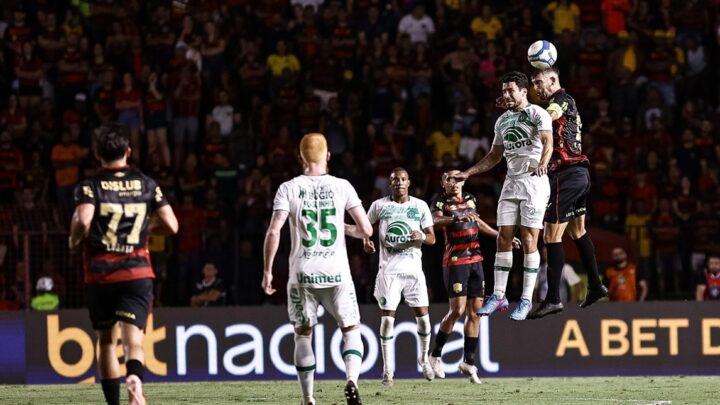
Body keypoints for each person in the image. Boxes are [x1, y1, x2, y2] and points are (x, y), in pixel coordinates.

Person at [69, 123, 179, 405]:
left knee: (106, 341)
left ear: (97, 155)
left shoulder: (90, 186)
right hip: (137, 272)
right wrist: (148, 230)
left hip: (101, 274)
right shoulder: (146, 183)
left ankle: (114, 404)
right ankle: (136, 380)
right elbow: (172, 225)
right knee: (134, 342)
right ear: (128, 152)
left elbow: (83, 219)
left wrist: (74, 239)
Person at [262, 133, 373, 405]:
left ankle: (309, 398)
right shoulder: (342, 186)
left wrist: (267, 270)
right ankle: (351, 380)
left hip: (302, 274)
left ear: (300, 157)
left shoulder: (288, 188)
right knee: (350, 329)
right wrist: (344, 227)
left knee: (303, 335)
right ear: (328, 156)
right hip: (337, 274)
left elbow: (274, 232)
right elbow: (366, 229)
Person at [457, 71, 553, 321]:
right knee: (504, 238)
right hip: (511, 183)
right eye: (504, 91)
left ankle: (525, 300)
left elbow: (547, 141)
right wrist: (468, 173)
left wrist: (543, 162)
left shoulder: (537, 114)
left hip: (534, 183)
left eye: (511, 90)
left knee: (529, 240)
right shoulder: (502, 121)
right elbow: (494, 156)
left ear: (524, 91)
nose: (506, 95)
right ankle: (499, 295)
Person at [526, 67, 608, 319]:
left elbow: (549, 116)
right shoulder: (562, 101)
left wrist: (521, 114)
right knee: (577, 231)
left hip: (566, 174)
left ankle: (553, 299)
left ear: (553, 79)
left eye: (539, 82)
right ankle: (595, 285)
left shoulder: (561, 99)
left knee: (550, 236)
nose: (536, 87)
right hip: (579, 174)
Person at [429, 170, 520, 383]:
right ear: (443, 183)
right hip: (455, 261)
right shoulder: (440, 202)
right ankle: (435, 355)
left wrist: (501, 236)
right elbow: (434, 220)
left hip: (475, 261)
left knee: (476, 314)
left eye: (457, 178)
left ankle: (468, 362)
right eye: (448, 179)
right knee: (457, 311)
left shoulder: (470, 199)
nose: (453, 182)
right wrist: (456, 216)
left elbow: (477, 223)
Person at [363, 167, 436, 386]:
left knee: (424, 321)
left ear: (409, 182)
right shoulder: (380, 206)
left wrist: (421, 235)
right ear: (390, 183)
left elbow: (432, 238)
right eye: (395, 180)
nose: (399, 183)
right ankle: (388, 371)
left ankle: (423, 359)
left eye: (403, 179)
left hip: (414, 271)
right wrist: (366, 242)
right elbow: (366, 228)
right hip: (389, 272)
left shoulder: (420, 206)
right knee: (387, 321)